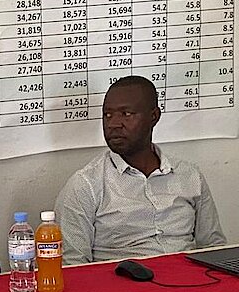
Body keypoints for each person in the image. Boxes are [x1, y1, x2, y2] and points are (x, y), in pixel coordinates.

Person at [54, 75, 225, 264]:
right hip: (123, 280)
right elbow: (72, 266)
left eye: (126, 114)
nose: (113, 124)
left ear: (154, 117)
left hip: (188, 277)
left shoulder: (190, 176)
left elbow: (214, 248)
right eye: (107, 115)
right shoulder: (86, 185)